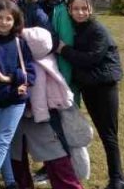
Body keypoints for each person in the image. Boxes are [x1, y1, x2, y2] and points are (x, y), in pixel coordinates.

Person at [59, 0, 124, 189]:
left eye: (84, 8)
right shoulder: (77, 30)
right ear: (70, 11)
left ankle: (118, 179)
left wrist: (64, 50)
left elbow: (90, 58)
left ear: (90, 9)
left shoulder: (97, 30)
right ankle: (117, 177)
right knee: (104, 131)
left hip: (104, 87)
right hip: (90, 86)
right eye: (75, 9)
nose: (80, 12)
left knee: (109, 133)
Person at [10, 26, 82, 189]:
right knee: (15, 158)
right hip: (15, 111)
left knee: (55, 155)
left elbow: (43, 43)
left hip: (41, 114)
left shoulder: (41, 60)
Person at [0, 0, 36, 189]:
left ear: (15, 21)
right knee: (0, 142)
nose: (4, 22)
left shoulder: (20, 43)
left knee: (3, 139)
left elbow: (30, 73)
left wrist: (7, 79)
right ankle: (11, 181)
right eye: (0, 18)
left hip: (16, 100)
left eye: (9, 19)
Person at [32, 0, 75, 84]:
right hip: (41, 67)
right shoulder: (39, 3)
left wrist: (63, 83)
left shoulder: (63, 9)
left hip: (58, 75)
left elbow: (64, 48)